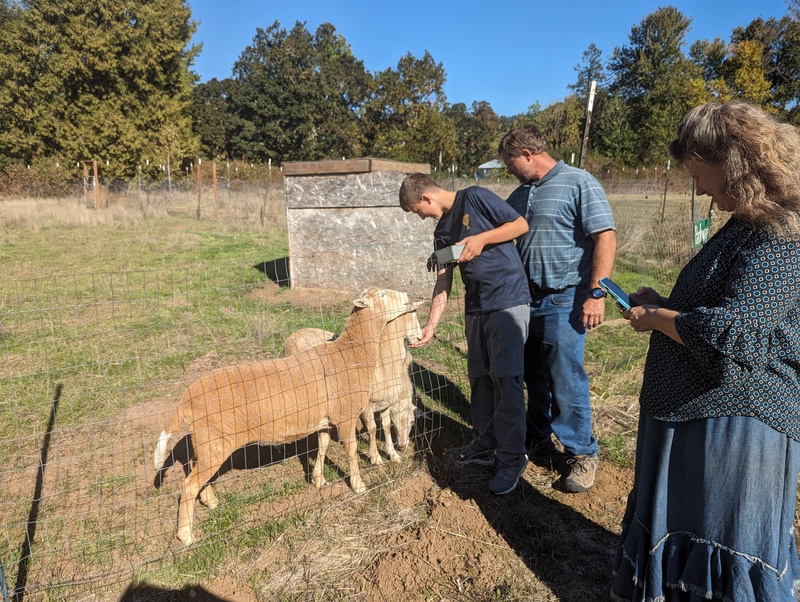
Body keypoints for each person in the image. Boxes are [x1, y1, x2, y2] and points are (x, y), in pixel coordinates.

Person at [611, 100, 800, 600]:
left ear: (736, 164)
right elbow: (720, 313)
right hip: (700, 415)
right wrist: (667, 307)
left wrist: (656, 319)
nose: (699, 189)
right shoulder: (749, 224)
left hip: (734, 426)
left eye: (701, 175)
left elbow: (738, 338)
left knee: (725, 551)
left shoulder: (779, 234)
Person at [499, 125, 617, 493]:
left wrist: (596, 293)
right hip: (524, 300)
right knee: (532, 373)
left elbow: (605, 236)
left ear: (527, 154)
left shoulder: (579, 182)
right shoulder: (519, 194)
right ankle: (538, 438)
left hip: (564, 298)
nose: (508, 170)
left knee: (564, 376)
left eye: (510, 162)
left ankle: (581, 453)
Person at [399, 172, 531, 495]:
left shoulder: (475, 197)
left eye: (418, 211)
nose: (421, 218)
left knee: (507, 379)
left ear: (427, 198)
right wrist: (431, 324)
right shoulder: (441, 233)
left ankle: (513, 458)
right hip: (476, 308)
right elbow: (443, 280)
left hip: (508, 300)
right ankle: (485, 441)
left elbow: (520, 225)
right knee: (480, 378)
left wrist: (481, 239)